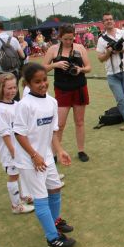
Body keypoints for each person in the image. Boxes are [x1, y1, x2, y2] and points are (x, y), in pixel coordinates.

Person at [13, 63, 76, 247]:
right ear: (27, 84)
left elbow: (52, 133)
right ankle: (52, 238)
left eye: (44, 80)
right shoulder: (24, 105)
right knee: (41, 198)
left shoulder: (52, 102)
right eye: (37, 82)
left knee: (55, 189)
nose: (42, 84)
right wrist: (34, 155)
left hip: (46, 157)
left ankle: (55, 222)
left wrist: (60, 150)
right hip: (29, 160)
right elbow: (19, 134)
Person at [43, 24, 92, 162]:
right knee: (60, 124)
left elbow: (88, 67)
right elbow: (42, 68)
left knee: (80, 121)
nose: (69, 42)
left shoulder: (80, 48)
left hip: (79, 88)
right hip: (62, 89)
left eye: (71, 39)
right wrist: (55, 65)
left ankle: (81, 150)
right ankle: (54, 153)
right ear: (60, 37)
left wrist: (80, 69)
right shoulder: (53, 49)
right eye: (65, 39)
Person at [0, 73, 35, 214]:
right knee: (13, 175)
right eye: (9, 88)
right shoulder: (1, 110)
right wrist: (12, 150)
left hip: (19, 148)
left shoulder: (17, 104)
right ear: (1, 89)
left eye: (14, 87)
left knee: (22, 171)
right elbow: (4, 133)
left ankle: (25, 195)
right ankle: (16, 206)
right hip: (9, 151)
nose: (12, 91)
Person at [96, 13, 124, 131]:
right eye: (106, 20)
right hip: (112, 73)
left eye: (110, 19)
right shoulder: (101, 40)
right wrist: (108, 52)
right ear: (103, 23)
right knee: (120, 98)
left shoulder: (123, 34)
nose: (109, 21)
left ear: (114, 21)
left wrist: (120, 49)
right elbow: (100, 58)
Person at [0, 21, 26, 100]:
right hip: (14, 71)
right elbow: (22, 55)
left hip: (2, 72)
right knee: (15, 93)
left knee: (3, 94)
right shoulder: (14, 39)